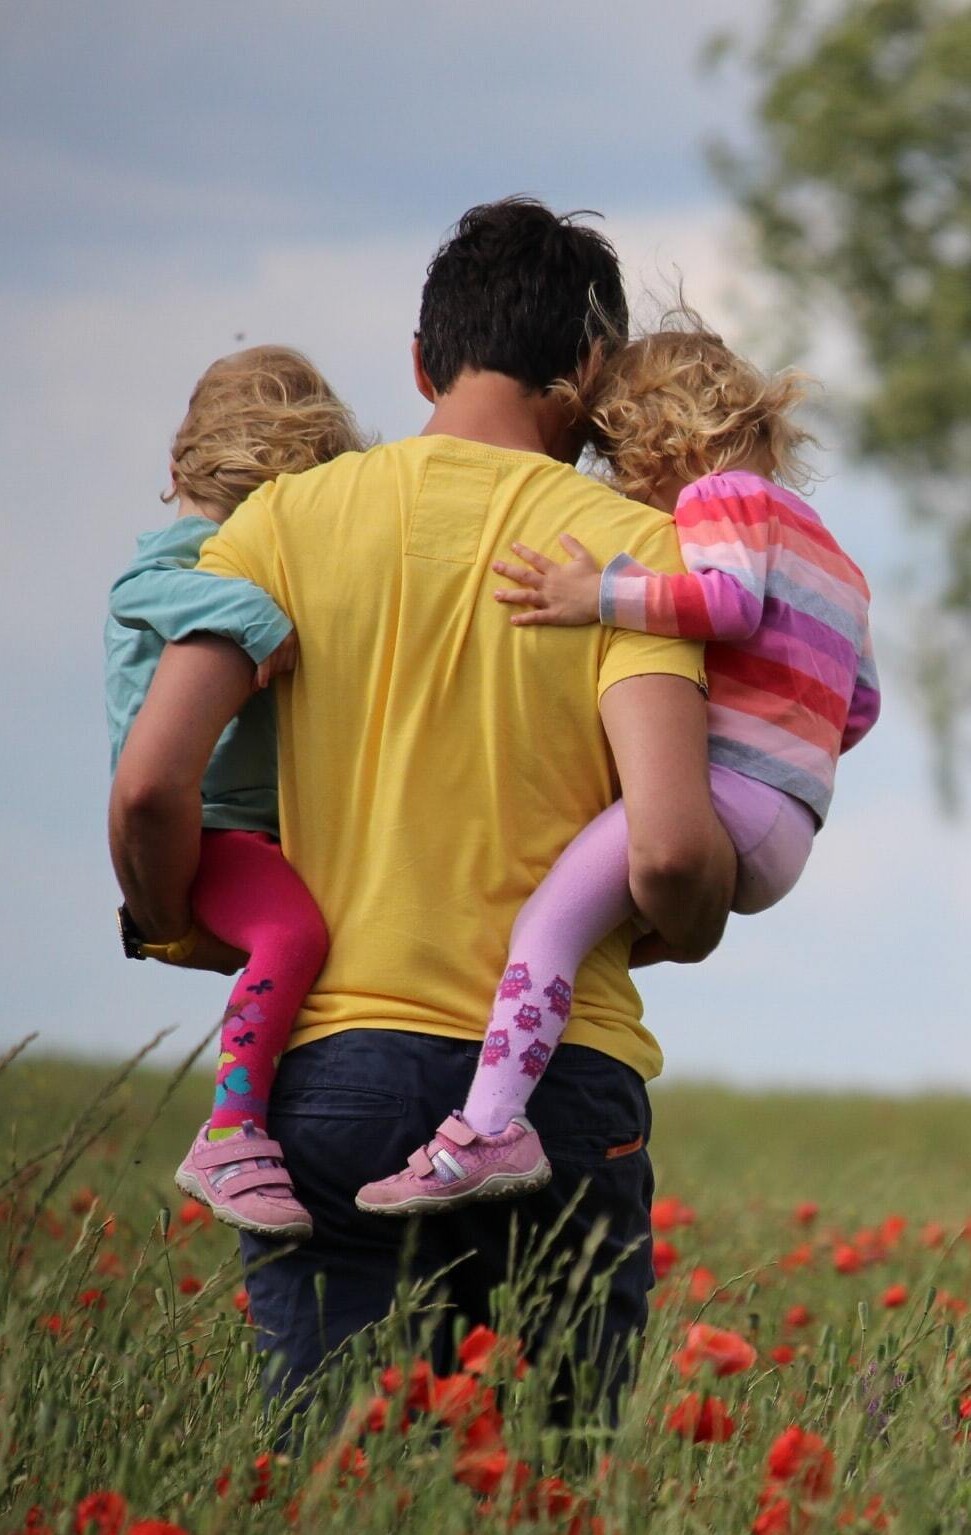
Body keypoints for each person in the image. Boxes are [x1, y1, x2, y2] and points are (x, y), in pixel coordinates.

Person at [109, 199, 736, 1410]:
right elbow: (665, 848)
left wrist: (180, 918)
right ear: (591, 371)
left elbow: (148, 783)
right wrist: (693, 917)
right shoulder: (631, 555)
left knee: (344, 1473)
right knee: (548, 1483)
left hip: (332, 1074)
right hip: (558, 1087)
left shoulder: (280, 524)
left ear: (419, 361)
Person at [358, 320, 880, 1214]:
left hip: (725, 796)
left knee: (545, 928)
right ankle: (519, 1074)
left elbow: (724, 601)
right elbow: (859, 705)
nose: (622, 484)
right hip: (790, 822)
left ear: (659, 439)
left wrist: (593, 593)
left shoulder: (721, 499)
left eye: (618, 457)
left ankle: (488, 1127)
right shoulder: (834, 554)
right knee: (589, 933)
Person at [107, 345, 365, 1237]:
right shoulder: (185, 558)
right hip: (211, 826)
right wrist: (256, 615)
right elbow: (141, 588)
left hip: (253, 827)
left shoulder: (227, 545)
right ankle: (231, 1128)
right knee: (293, 933)